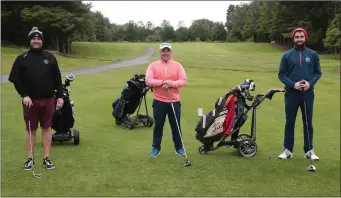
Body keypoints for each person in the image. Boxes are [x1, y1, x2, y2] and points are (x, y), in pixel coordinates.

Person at [8, 27, 64, 170]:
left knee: (47, 128)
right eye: (34, 38)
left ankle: (46, 158)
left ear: (42, 41)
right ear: (30, 41)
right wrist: (24, 95)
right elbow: (15, 79)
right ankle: (30, 159)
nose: (36, 41)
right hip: (30, 102)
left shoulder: (50, 58)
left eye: (38, 38)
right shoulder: (22, 59)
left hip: (48, 100)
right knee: (30, 130)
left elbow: (57, 79)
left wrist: (60, 96)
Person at [277, 28, 322, 160]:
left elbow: (318, 73)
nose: (299, 39)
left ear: (305, 38)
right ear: (293, 38)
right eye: (297, 37)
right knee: (289, 122)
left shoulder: (313, 55)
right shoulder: (287, 55)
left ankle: (309, 150)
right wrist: (293, 84)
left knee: (308, 123)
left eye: (301, 36)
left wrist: (310, 83)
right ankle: (287, 150)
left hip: (307, 94)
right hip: (291, 94)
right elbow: (281, 74)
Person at [145, 42, 188, 157]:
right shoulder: (153, 65)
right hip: (159, 102)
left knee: (176, 126)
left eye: (167, 51)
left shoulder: (177, 65)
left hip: (174, 101)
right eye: (163, 51)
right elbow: (148, 81)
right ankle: (156, 148)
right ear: (160, 52)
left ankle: (179, 148)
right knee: (158, 126)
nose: (165, 53)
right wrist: (162, 82)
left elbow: (183, 80)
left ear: (171, 52)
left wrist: (172, 84)